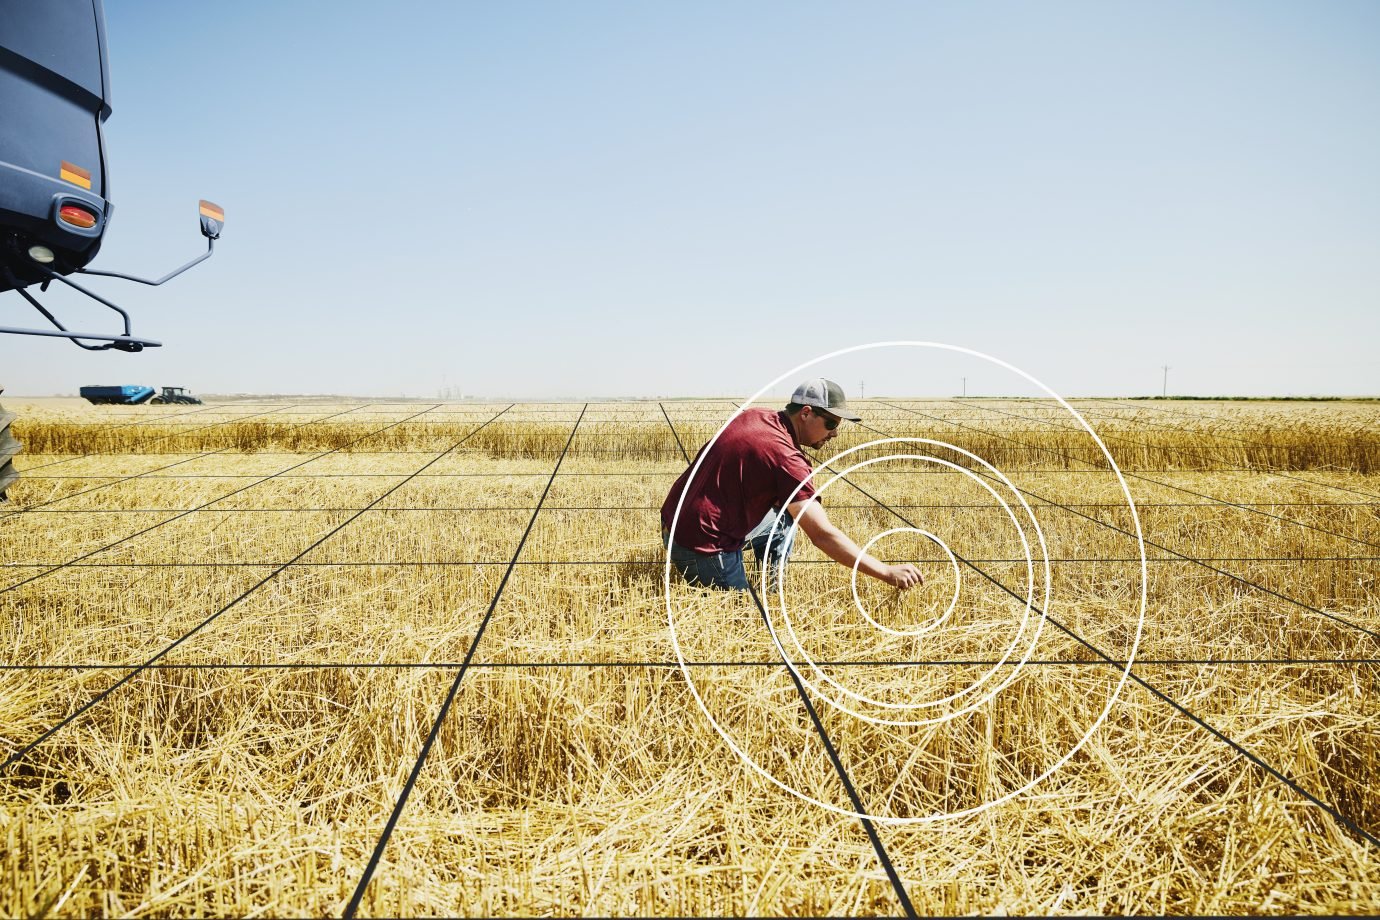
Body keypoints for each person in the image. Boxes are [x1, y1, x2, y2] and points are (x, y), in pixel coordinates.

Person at [660, 378, 923, 592]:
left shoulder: (756, 416)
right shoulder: (788, 459)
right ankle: (745, 593)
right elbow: (822, 535)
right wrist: (886, 571)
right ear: (806, 414)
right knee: (744, 619)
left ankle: (772, 589)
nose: (835, 433)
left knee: (784, 518)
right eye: (831, 423)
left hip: (674, 522)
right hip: (703, 545)